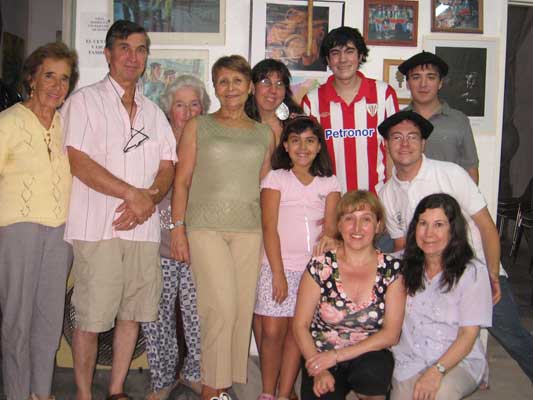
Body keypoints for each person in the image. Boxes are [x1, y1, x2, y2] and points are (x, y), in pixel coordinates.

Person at [62, 20, 177, 400]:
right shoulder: (83, 101)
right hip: (100, 229)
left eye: (141, 49)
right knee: (91, 320)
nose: (133, 56)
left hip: (143, 233)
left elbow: (168, 165)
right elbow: (77, 161)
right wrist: (133, 195)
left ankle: (115, 390)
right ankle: (82, 393)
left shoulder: (153, 111)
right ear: (108, 53)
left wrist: (149, 198)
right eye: (125, 48)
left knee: (132, 315)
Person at [377, 110, 533, 384]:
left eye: (413, 137)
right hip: (427, 281)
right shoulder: (387, 193)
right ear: (386, 145)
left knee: (514, 337)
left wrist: (493, 274)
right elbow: (403, 249)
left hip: (474, 274)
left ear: (424, 144)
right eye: (397, 137)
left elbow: (486, 227)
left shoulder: (450, 173)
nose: (405, 144)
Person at [170, 55, 274, 400]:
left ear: (249, 87)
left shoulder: (264, 133)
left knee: (241, 311)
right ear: (215, 87)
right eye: (223, 82)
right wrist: (178, 228)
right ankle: (211, 390)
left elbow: (264, 188)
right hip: (205, 228)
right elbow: (182, 181)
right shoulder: (198, 126)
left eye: (237, 81)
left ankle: (222, 387)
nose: (230, 88)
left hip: (248, 230)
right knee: (220, 309)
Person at [0, 41, 78, 400]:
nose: (56, 85)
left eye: (64, 78)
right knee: (17, 322)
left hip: (59, 230)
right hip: (16, 230)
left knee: (49, 322)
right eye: (49, 75)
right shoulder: (9, 122)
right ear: (32, 78)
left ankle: (41, 394)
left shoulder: (66, 124)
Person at [255, 116, 341, 400]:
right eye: (295, 141)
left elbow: (330, 226)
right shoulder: (276, 178)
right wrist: (278, 273)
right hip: (276, 265)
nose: (302, 147)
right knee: (271, 332)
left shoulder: (329, 182)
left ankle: (284, 393)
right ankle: (268, 392)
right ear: (286, 146)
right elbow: (269, 227)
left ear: (319, 147)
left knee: (296, 332)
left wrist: (330, 236)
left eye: (310, 141)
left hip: (311, 272)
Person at [293, 191, 406, 400]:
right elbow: (300, 325)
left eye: (366, 220)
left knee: (373, 375)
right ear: (339, 225)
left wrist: (335, 357)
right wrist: (318, 368)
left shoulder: (392, 270)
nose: (357, 228)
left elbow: (391, 334)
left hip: (368, 352)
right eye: (349, 219)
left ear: (379, 225)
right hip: (321, 352)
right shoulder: (320, 266)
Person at [141, 75, 210, 400]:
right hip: (159, 244)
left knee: (198, 316)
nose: (186, 111)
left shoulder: (210, 142)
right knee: (156, 315)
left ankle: (195, 372)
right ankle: (163, 380)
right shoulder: (155, 140)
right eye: (179, 104)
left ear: (203, 108)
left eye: (193, 104)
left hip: (200, 246)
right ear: (169, 109)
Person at [391, 193, 492, 400]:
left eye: (439, 224)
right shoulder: (399, 264)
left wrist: (436, 371)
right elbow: (363, 258)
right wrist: (336, 246)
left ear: (453, 230)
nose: (429, 233)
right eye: (423, 223)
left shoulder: (472, 273)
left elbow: (468, 335)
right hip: (410, 359)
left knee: (441, 393)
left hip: (457, 359)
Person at [301, 26, 399, 194]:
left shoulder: (384, 94)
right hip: (330, 200)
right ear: (328, 59)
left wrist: (390, 194)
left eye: (349, 51)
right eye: (335, 53)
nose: (343, 59)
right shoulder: (312, 101)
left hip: (376, 198)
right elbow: (306, 155)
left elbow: (393, 148)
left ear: (360, 55)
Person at [397, 51, 479, 183]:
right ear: (407, 84)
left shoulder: (459, 121)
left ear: (440, 83)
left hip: (447, 200)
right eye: (416, 77)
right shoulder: (398, 121)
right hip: (408, 201)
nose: (423, 84)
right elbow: (391, 168)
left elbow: (471, 169)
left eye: (431, 77)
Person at [245, 58, 303, 144]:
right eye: (266, 82)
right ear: (252, 87)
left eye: (279, 84)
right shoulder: (240, 123)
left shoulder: (297, 124)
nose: (273, 90)